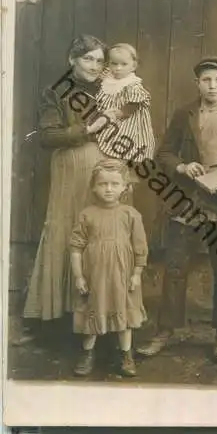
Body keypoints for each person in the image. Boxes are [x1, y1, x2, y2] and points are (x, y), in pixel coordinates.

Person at [137, 56, 217, 360]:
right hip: (187, 202)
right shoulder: (184, 115)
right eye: (206, 80)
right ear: (197, 84)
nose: (212, 86)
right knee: (175, 266)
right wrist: (182, 166)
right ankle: (166, 330)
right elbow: (164, 154)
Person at [22, 35, 109, 338]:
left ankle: (96, 315)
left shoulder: (109, 88)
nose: (95, 66)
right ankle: (58, 316)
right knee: (66, 231)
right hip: (71, 168)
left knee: (99, 232)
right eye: (88, 59)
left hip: (105, 170)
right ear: (72, 60)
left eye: (100, 60)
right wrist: (86, 130)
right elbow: (47, 137)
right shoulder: (56, 91)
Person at [70, 159, 148, 377]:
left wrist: (137, 274)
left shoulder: (130, 214)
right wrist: (79, 277)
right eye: (103, 184)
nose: (109, 189)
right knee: (92, 312)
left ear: (124, 187)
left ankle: (126, 355)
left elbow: (140, 248)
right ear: (94, 186)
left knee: (124, 316)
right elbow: (76, 248)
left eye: (114, 184)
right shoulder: (87, 214)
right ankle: (87, 353)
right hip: (94, 277)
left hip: (122, 278)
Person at [92, 42, 155, 195]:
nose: (118, 68)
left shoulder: (132, 85)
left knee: (127, 149)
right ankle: (115, 181)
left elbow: (134, 104)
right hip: (111, 122)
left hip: (129, 124)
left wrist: (121, 112)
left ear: (133, 66)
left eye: (123, 64)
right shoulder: (109, 80)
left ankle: (126, 183)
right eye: (114, 64)